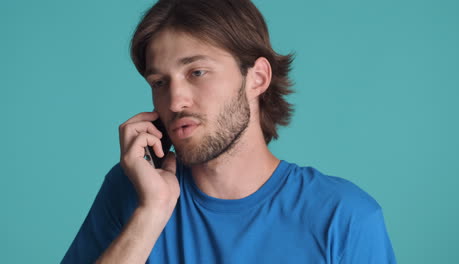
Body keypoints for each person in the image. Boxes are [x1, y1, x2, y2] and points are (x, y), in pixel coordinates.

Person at [61, 0, 397, 263]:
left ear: (257, 78)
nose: (175, 100)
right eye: (159, 82)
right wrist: (151, 212)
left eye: (198, 72)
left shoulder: (345, 217)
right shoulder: (131, 192)